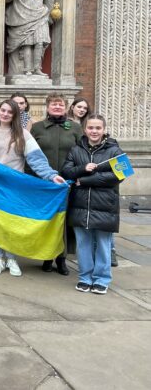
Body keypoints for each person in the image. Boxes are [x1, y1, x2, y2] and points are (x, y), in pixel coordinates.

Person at [0, 100, 65, 277]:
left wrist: (51, 175)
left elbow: (36, 159)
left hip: (13, 186)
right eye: (3, 110)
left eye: (10, 112)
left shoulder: (22, 134)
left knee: (10, 222)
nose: (5, 114)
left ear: (15, 115)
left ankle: (12, 258)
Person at [62, 114, 124, 295]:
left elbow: (121, 174)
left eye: (98, 128)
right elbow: (66, 171)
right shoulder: (76, 149)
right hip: (80, 204)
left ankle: (102, 279)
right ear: (85, 129)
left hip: (105, 205)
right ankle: (85, 277)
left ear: (104, 130)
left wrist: (87, 180)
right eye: (91, 128)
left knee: (104, 244)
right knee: (83, 244)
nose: (94, 131)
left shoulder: (115, 150)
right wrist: (82, 169)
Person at [29, 93, 83, 275]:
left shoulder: (75, 128)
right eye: (54, 104)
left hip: (68, 184)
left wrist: (79, 175)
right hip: (44, 184)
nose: (57, 107)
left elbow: (82, 155)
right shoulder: (36, 128)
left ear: (66, 107)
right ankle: (46, 256)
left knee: (64, 222)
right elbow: (30, 156)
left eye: (60, 104)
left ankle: (61, 259)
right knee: (47, 221)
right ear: (47, 107)